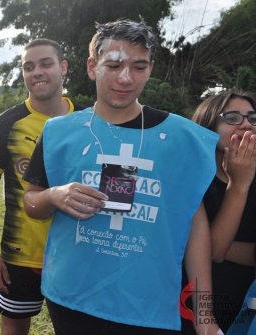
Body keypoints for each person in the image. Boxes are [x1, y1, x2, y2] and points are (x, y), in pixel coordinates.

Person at [22, 20, 222, 334]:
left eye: (138, 67)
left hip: (148, 301)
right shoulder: (59, 132)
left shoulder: (182, 138)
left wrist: (206, 316)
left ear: (151, 68)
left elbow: (195, 224)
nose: (125, 78)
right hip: (74, 297)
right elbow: (31, 202)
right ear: (92, 67)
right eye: (113, 65)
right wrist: (53, 196)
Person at [0, 38, 82, 334]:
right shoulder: (5, 124)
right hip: (20, 255)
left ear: (63, 68)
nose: (37, 72)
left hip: (79, 252)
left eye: (45, 63)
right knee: (13, 328)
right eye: (28, 66)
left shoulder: (90, 119)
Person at [181, 90, 256, 334]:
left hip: (244, 305)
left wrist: (209, 244)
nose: (246, 124)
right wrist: (239, 185)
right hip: (188, 305)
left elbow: (214, 249)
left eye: (252, 118)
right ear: (208, 126)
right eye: (233, 117)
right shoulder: (189, 179)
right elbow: (213, 253)